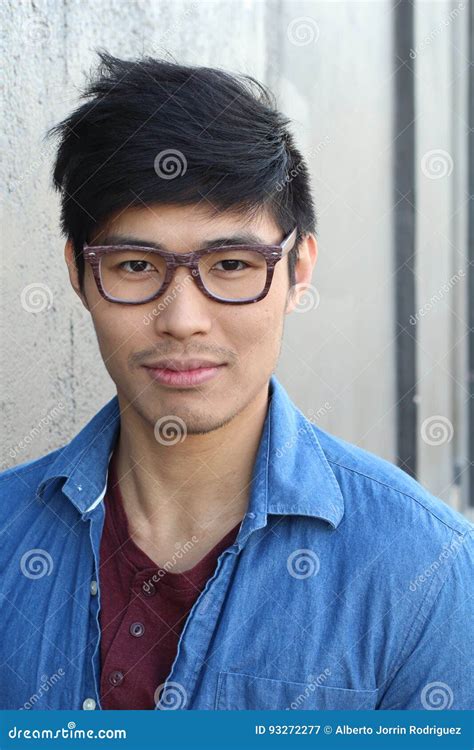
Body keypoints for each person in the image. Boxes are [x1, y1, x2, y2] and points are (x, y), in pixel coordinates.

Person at [1, 52, 472, 712]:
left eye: (230, 264)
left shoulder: (425, 566)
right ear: (79, 274)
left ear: (298, 269)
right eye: (135, 264)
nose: (183, 321)